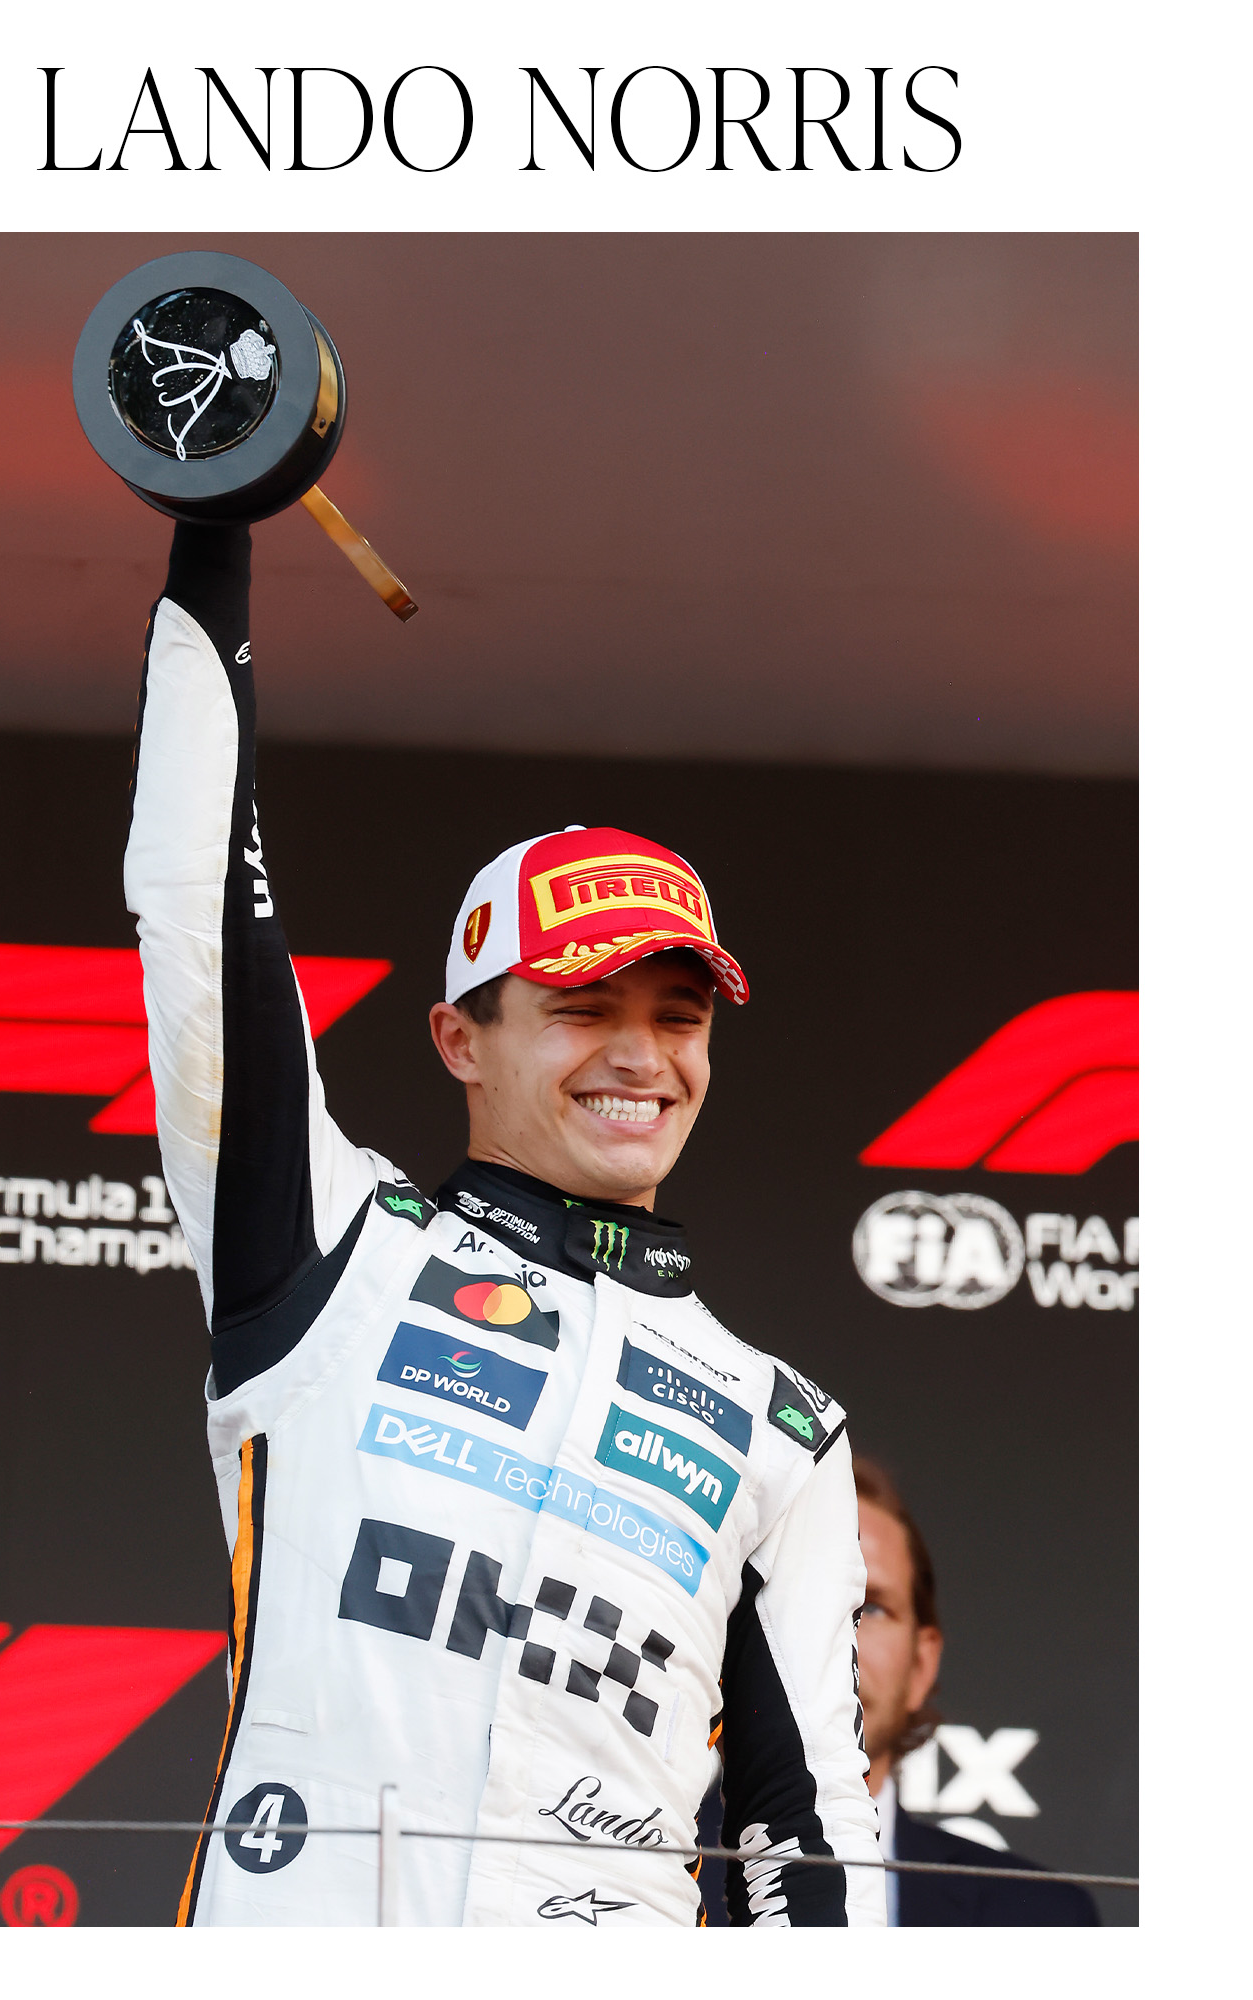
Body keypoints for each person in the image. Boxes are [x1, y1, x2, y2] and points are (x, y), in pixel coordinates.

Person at [126, 520, 883, 1927]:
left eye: (679, 1016)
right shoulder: (334, 1253)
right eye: (583, 1008)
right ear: (460, 1040)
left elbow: (807, 1827)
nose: (640, 1056)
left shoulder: (780, 1426)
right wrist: (213, 538)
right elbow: (195, 916)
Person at [852, 1456, 1099, 1925]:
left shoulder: (1043, 1921)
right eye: (798, 1595)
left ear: (921, 1665)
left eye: (873, 1607)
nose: (836, 1631)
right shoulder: (668, 1875)